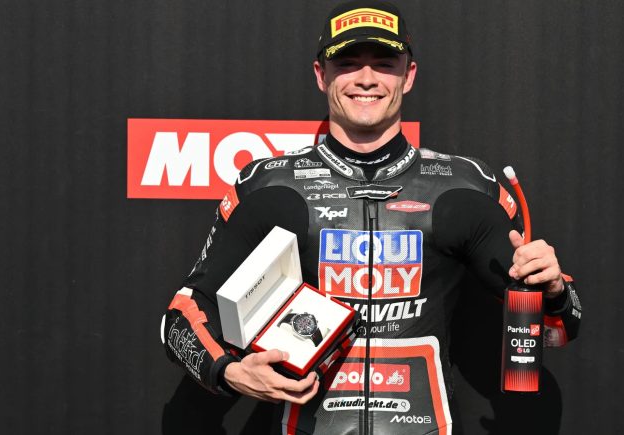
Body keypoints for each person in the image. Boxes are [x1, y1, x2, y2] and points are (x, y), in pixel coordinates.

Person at [162, 1, 582, 433]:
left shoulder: (465, 187)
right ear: (321, 75)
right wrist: (229, 373)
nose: (366, 79)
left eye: (383, 64)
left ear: (408, 75)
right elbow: (181, 315)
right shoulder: (269, 187)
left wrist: (553, 290)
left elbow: (559, 329)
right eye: (347, 63)